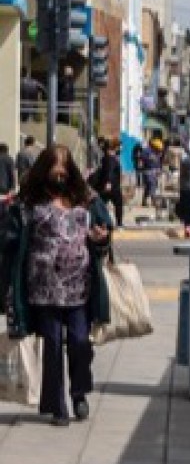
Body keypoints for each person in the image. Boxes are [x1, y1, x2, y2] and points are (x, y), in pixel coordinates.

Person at [4, 146, 113, 426]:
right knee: (52, 344)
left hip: (80, 286)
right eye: (54, 167)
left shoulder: (85, 198)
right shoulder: (27, 201)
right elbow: (9, 237)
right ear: (44, 170)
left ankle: (79, 393)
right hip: (43, 287)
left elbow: (105, 227)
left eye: (64, 167)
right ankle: (57, 406)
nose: (60, 173)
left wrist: (101, 237)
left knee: (79, 341)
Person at [88, 138, 124, 228]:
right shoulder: (111, 158)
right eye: (120, 146)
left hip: (108, 186)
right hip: (113, 187)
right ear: (115, 147)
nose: (121, 148)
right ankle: (119, 224)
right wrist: (108, 183)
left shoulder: (106, 157)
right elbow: (109, 171)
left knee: (100, 203)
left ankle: (96, 221)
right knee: (118, 204)